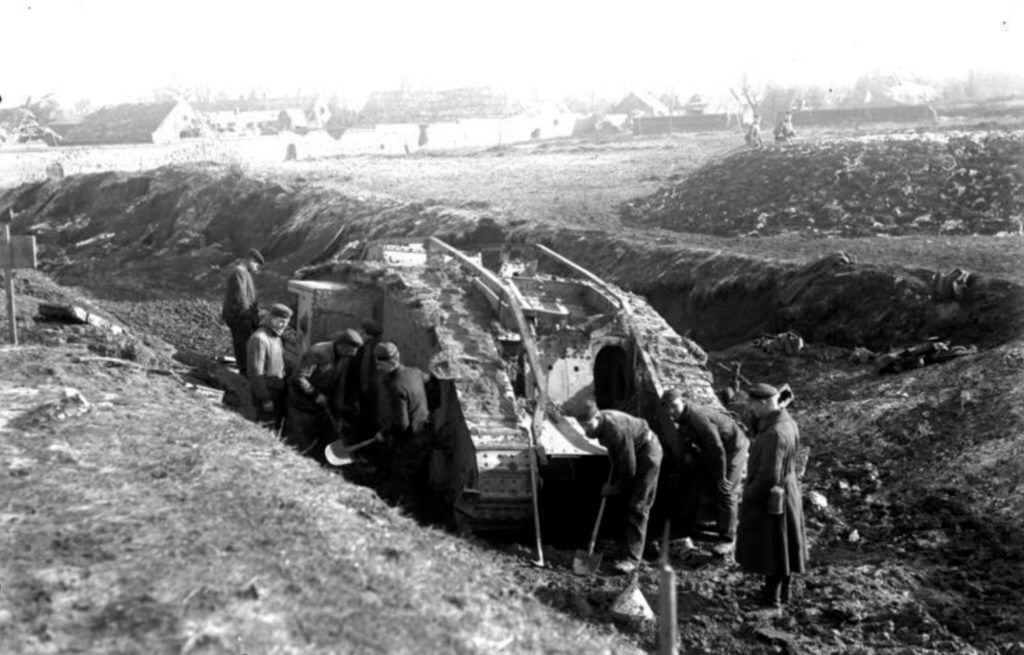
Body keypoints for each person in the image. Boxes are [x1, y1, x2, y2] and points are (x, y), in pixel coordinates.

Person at [736, 383, 808, 610]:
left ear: (765, 403)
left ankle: (771, 599)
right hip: (788, 490)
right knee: (784, 545)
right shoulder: (788, 423)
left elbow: (769, 475)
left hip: (773, 497)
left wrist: (749, 495)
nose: (751, 408)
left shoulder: (774, 433)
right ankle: (783, 593)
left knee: (773, 548)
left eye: (753, 404)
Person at [576, 400, 663, 574]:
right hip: (632, 449)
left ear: (598, 417)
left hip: (648, 452)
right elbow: (616, 452)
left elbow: (629, 467)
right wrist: (613, 478)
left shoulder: (615, 428)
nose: (586, 430)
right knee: (624, 500)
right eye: (582, 426)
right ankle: (623, 547)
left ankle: (632, 559)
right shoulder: (601, 425)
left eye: (588, 425)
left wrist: (615, 488)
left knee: (638, 505)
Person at [661, 388, 749, 556]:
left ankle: (727, 539)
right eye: (667, 407)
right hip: (713, 449)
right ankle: (704, 525)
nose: (671, 410)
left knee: (726, 490)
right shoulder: (682, 418)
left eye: (674, 405)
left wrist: (721, 476)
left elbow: (717, 447)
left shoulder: (697, 416)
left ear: (683, 402)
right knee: (699, 482)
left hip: (733, 447)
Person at [285, 328, 363, 462]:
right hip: (301, 405)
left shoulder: (344, 357)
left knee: (315, 440)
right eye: (352, 350)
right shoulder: (317, 353)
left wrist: (338, 412)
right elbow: (298, 378)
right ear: (342, 345)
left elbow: (339, 384)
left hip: (319, 407)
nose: (354, 354)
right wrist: (315, 394)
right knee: (300, 441)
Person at [375, 341, 431, 510]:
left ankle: (404, 512)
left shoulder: (396, 387)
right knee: (418, 479)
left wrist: (383, 434)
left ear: (390, 362)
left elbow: (401, 424)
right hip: (425, 432)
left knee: (403, 480)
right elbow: (429, 381)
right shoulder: (415, 372)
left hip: (411, 440)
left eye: (380, 364)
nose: (378, 367)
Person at [247, 303, 292, 431]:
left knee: (276, 426)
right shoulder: (260, 339)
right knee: (265, 427)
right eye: (281, 321)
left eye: (286, 322)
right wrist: (265, 399)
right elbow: (256, 372)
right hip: (267, 391)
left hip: (277, 391)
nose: (284, 325)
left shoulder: (275, 336)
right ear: (271, 318)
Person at [221, 248, 264, 376]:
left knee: (244, 343)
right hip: (240, 317)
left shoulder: (243, 272)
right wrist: (247, 316)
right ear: (251, 260)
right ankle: (244, 371)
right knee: (242, 344)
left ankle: (245, 370)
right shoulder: (239, 272)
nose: (256, 268)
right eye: (256, 265)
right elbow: (240, 297)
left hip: (242, 315)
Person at [351, 319, 385, 439]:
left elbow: (366, 371)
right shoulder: (357, 345)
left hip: (366, 392)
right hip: (358, 391)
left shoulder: (368, 347)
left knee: (365, 419)